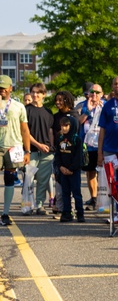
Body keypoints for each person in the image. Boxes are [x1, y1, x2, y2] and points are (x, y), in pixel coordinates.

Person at [0, 75, 32, 225]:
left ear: (10, 88)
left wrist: (27, 151)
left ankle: (5, 213)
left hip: (14, 147)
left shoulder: (19, 106)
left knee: (9, 179)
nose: (2, 91)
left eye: (4, 88)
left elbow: (25, 130)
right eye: (0, 88)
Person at [24, 83, 55, 214]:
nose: (35, 95)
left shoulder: (48, 112)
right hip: (31, 151)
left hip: (47, 153)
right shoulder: (26, 110)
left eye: (38, 92)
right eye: (33, 92)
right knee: (28, 180)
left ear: (44, 94)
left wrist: (51, 147)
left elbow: (51, 131)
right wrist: (38, 145)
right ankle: (27, 205)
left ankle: (39, 205)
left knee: (43, 181)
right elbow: (24, 132)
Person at [54, 115, 85, 223]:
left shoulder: (77, 139)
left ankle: (80, 213)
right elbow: (57, 155)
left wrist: (71, 168)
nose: (64, 128)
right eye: (62, 126)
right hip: (63, 170)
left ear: (71, 126)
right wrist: (61, 167)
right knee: (65, 193)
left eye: (66, 125)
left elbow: (78, 157)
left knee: (76, 193)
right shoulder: (60, 139)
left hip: (74, 171)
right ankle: (66, 213)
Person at [79, 84, 104, 208]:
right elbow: (79, 121)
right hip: (88, 145)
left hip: (101, 144)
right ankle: (93, 197)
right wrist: (88, 111)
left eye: (97, 92)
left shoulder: (106, 105)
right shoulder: (84, 105)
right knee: (90, 172)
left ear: (102, 94)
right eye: (92, 92)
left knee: (102, 173)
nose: (94, 95)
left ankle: (102, 198)